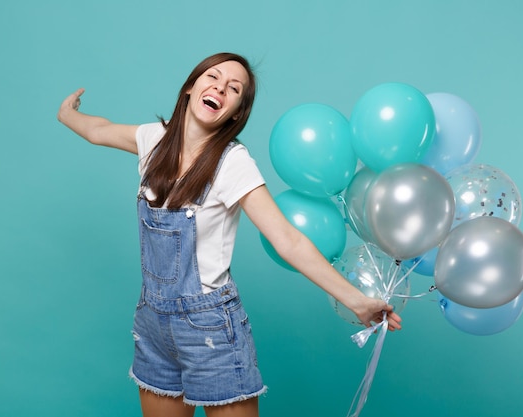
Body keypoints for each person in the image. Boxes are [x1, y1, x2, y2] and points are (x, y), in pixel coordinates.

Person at [57, 52, 402, 417]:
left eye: (233, 88)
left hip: (209, 327)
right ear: (191, 87)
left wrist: (358, 301)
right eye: (213, 78)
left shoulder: (232, 163)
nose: (220, 88)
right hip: (152, 322)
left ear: (235, 112)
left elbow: (288, 239)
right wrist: (67, 114)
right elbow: (98, 130)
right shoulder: (153, 139)